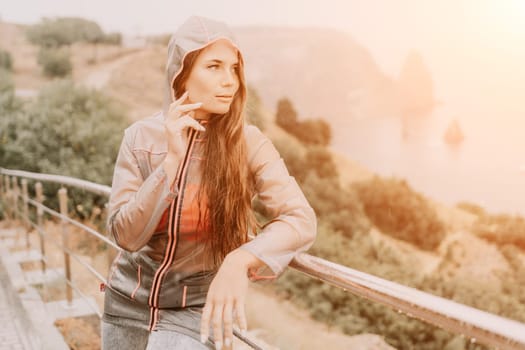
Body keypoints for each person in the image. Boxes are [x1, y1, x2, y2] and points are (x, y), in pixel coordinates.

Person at [102, 16, 317, 350]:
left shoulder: (250, 143)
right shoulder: (139, 137)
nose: (229, 81)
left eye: (233, 68)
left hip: (193, 311)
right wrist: (169, 165)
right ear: (181, 74)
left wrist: (241, 258)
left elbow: (300, 219)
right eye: (214, 66)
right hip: (125, 304)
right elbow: (126, 235)